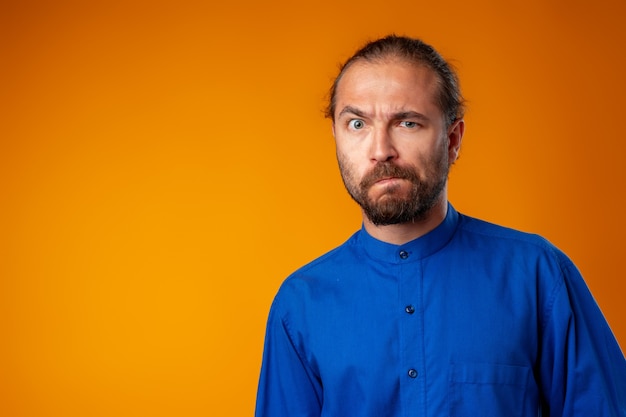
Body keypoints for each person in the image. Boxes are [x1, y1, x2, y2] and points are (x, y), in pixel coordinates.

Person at [255, 35, 626, 416]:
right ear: (335, 137)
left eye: (408, 123)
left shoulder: (538, 276)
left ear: (452, 140)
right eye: (356, 123)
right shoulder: (299, 305)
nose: (380, 149)